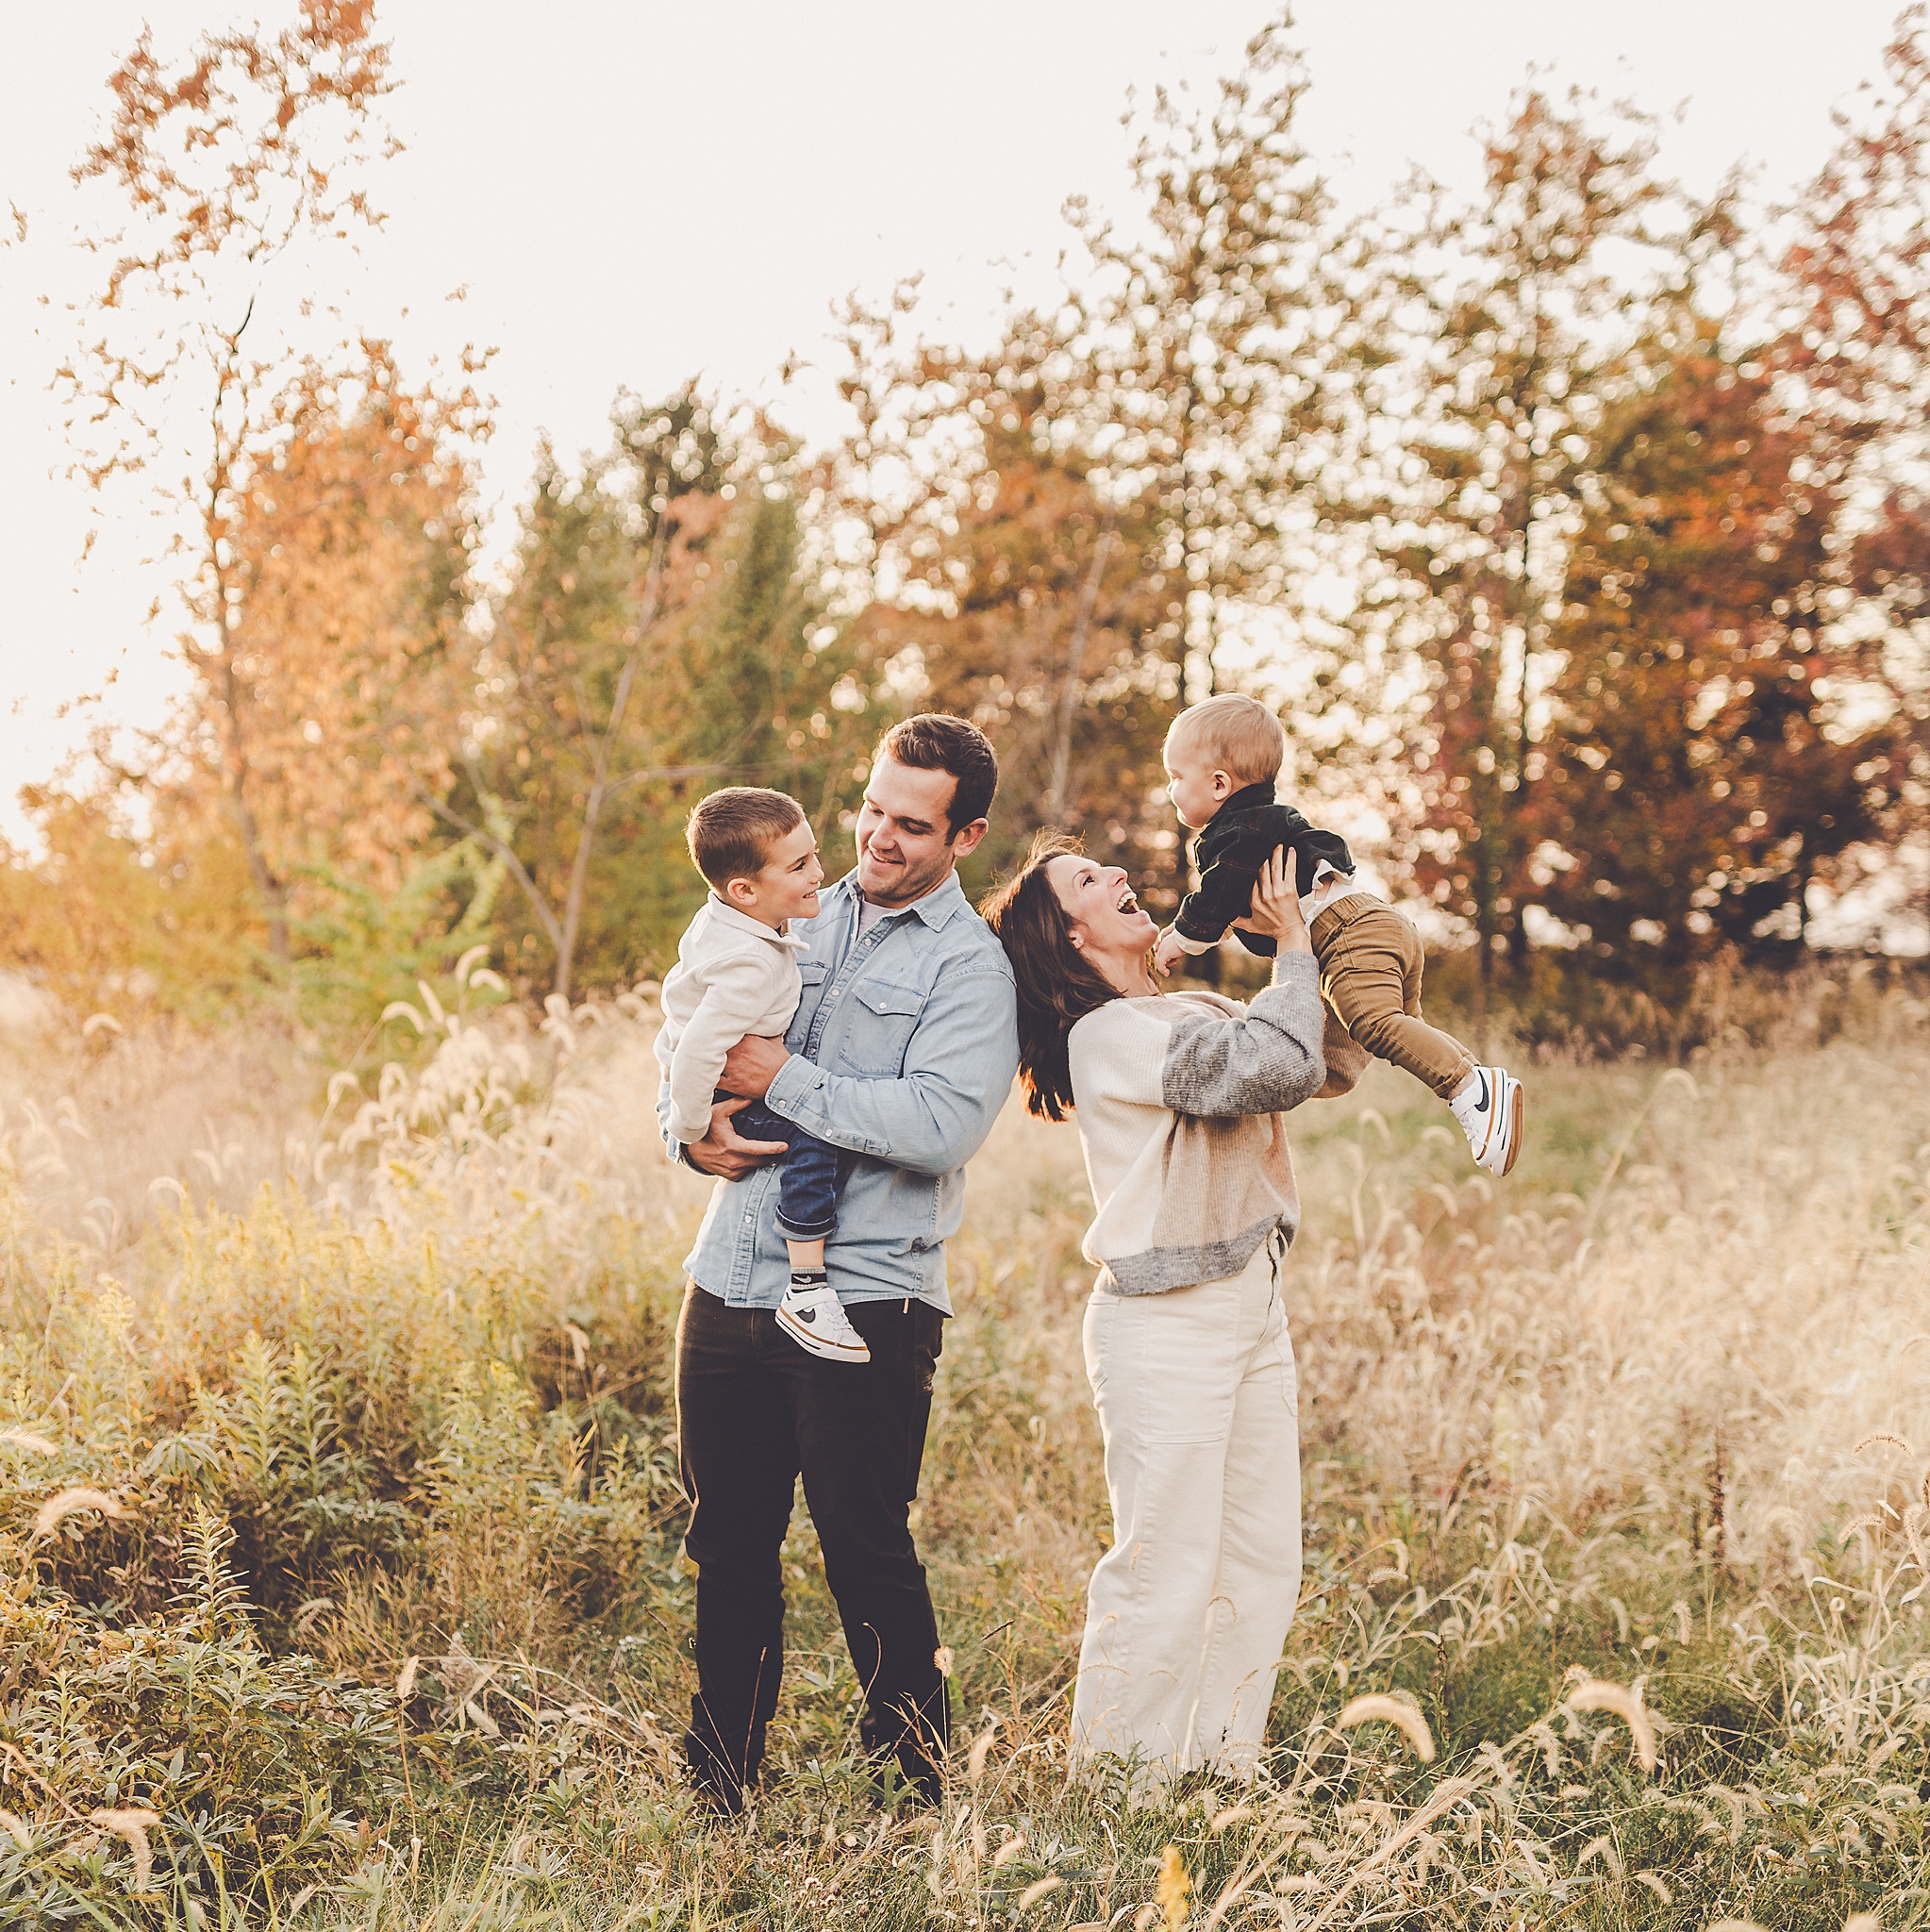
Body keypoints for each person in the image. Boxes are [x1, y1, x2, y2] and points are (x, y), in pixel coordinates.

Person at [660, 714, 1020, 1815]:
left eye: (912, 824)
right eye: (871, 808)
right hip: (729, 1271)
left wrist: (782, 1076)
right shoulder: (785, 903)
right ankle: (722, 1781)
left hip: (868, 1289)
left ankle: (913, 1794)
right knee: (727, 1542)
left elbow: (941, 1122)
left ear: (965, 836)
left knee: (863, 1545)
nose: (878, 836)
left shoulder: (972, 967)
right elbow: (685, 1026)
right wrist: (685, 1131)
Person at [983, 834, 1324, 1785]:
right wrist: (1291, 951)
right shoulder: (1111, 1035)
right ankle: (1119, 1794)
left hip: (1250, 1304)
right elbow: (1276, 1066)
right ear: (1069, 938)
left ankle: (1217, 1775)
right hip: (1168, 1320)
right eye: (1088, 882)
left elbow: (1318, 1055)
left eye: (1104, 866)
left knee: (1260, 1559)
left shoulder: (1176, 1010)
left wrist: (1318, 942)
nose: (1118, 875)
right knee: (1167, 1567)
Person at [1151, 694, 1524, 1177]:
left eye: (1176, 778)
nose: (1169, 789)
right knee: (1403, 1034)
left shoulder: (1235, 833)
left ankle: (1472, 1092)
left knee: (1377, 1025)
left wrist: (1179, 940)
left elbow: (1215, 900)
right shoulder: (1267, 823)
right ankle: (1476, 1093)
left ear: (1220, 783)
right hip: (1377, 922)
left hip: (1350, 935)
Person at [655, 786, 869, 1363]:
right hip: (723, 1088)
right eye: (799, 866)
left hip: (711, 1073)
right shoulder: (749, 963)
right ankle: (807, 1285)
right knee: (816, 1136)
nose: (819, 873)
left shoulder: (728, 921)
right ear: (744, 891)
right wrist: (692, 1129)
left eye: (815, 855)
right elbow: (700, 1049)